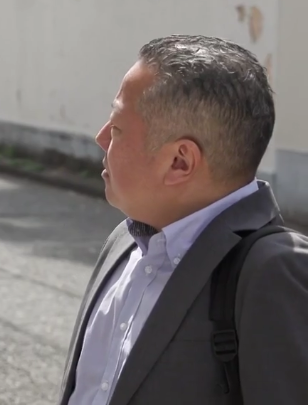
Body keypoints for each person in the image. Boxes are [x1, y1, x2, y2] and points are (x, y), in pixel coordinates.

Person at [58, 35, 308, 405]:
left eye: (117, 128)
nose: (100, 138)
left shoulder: (274, 270)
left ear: (180, 162)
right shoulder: (125, 241)